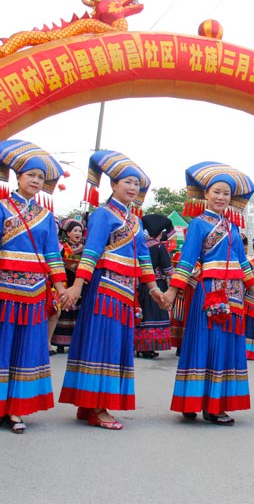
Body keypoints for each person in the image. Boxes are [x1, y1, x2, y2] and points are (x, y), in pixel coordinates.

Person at [0, 140, 69, 434]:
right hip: (3, 290)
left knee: (27, 348)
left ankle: (15, 408)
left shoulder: (48, 217)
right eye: (30, 175)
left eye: (40, 177)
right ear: (17, 177)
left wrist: (61, 289)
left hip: (34, 291)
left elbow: (52, 256)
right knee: (2, 345)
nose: (35, 181)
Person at [60, 151, 161, 430]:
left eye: (136, 185)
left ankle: (89, 403)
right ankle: (97, 406)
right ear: (113, 185)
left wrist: (153, 288)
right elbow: (91, 252)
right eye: (127, 182)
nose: (132, 188)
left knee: (114, 343)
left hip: (126, 291)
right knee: (103, 343)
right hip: (105, 288)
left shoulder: (135, 221)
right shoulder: (103, 215)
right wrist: (78, 285)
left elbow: (143, 257)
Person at [161, 161, 254, 426]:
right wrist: (173, 290)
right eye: (216, 192)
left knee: (224, 347)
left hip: (234, 295)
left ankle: (214, 405)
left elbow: (243, 264)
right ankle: (192, 400)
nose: (221, 197)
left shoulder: (233, 228)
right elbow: (187, 260)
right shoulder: (197, 224)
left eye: (226, 194)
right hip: (208, 292)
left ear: (232, 199)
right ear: (205, 195)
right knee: (203, 343)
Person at [134, 213, 175, 358]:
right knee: (154, 315)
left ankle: (140, 346)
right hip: (156, 284)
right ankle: (148, 347)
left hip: (142, 283)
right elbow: (167, 268)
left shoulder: (142, 245)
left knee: (144, 314)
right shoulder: (158, 247)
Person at [52, 218, 85, 353]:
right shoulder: (62, 248)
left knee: (77, 313)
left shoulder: (85, 248)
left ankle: (74, 341)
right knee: (65, 310)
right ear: (68, 233)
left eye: (80, 231)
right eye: (75, 231)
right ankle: (60, 342)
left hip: (79, 283)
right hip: (66, 282)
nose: (78, 233)